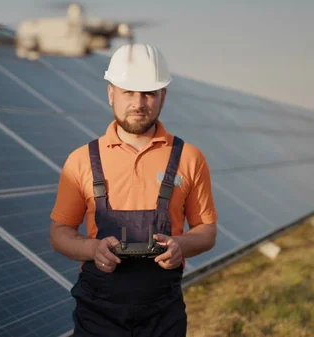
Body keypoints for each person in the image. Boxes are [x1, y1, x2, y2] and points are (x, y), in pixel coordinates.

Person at [49, 43, 218, 337]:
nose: (139, 103)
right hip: (97, 316)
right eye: (128, 91)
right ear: (111, 92)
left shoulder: (189, 157)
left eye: (149, 93)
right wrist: (92, 249)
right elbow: (60, 232)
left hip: (163, 317)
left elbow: (206, 230)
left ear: (163, 95)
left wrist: (181, 246)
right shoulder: (81, 160)